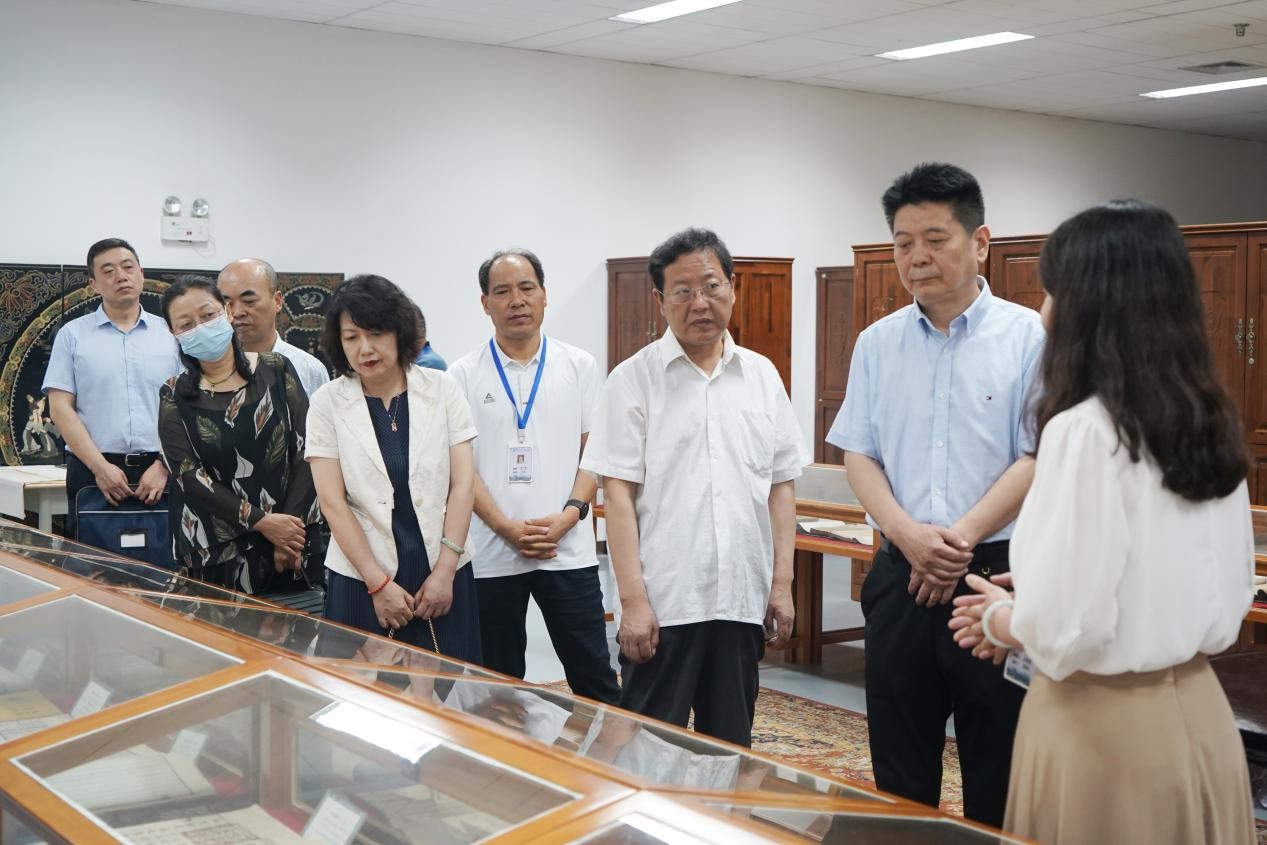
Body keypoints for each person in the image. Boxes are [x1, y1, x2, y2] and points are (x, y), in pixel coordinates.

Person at [949, 200, 1255, 844]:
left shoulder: (1085, 431)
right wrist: (1041, 598)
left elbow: (1067, 630)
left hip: (1103, 731)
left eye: (1051, 292)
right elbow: (1205, 584)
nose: (1042, 312)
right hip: (1200, 712)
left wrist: (1003, 619)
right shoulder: (1210, 421)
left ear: (1086, 308)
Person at [825, 163, 1044, 826]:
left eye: (934, 239)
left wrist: (958, 539)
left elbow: (1036, 454)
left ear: (980, 242)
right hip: (901, 574)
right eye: (902, 243)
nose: (916, 256)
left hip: (993, 580)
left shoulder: (1029, 337)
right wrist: (907, 534)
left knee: (998, 762)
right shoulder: (877, 342)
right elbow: (858, 452)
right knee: (898, 767)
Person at [581, 228, 809, 747]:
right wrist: (633, 602)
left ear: (733, 288)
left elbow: (780, 487)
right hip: (667, 602)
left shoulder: (762, 377)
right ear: (660, 300)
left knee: (729, 751)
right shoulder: (633, 380)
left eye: (711, 287)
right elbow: (618, 497)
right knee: (646, 749)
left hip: (740, 599)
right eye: (682, 291)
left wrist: (781, 584)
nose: (699, 303)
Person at [449, 248, 619, 703]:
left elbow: (595, 453)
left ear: (544, 295)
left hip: (567, 549)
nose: (517, 300)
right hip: (491, 553)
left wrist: (571, 514)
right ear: (485, 303)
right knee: (496, 685)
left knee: (595, 677)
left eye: (527, 288)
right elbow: (460, 467)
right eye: (502, 291)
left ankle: (603, 753)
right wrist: (504, 526)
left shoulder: (578, 365)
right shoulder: (462, 374)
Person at [305, 275, 481, 663]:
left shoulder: (442, 388)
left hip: (442, 569)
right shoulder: (327, 403)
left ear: (399, 332)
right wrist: (377, 583)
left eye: (376, 334)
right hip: (361, 576)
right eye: (351, 337)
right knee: (360, 692)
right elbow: (332, 502)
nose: (365, 348)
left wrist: (445, 571)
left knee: (449, 689)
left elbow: (463, 484)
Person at [157, 276, 321, 593]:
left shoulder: (277, 369)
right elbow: (188, 475)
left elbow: (307, 449)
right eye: (186, 324)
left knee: (295, 623)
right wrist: (263, 522)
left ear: (228, 311)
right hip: (216, 551)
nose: (201, 328)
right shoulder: (174, 394)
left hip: (290, 543)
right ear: (174, 333)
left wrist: (288, 533)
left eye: (208, 315)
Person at [43, 238, 184, 537]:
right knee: (91, 558)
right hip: (92, 470)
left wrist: (164, 465)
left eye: (128, 267)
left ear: (141, 274)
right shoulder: (72, 335)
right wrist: (100, 467)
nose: (121, 276)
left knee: (166, 559)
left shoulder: (172, 334)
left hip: (162, 469)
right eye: (108, 271)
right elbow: (60, 408)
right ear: (93, 285)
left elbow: (188, 404)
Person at [217, 258, 330, 397]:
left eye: (249, 301)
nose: (237, 312)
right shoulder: (209, 368)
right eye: (227, 304)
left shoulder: (308, 370)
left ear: (277, 301)